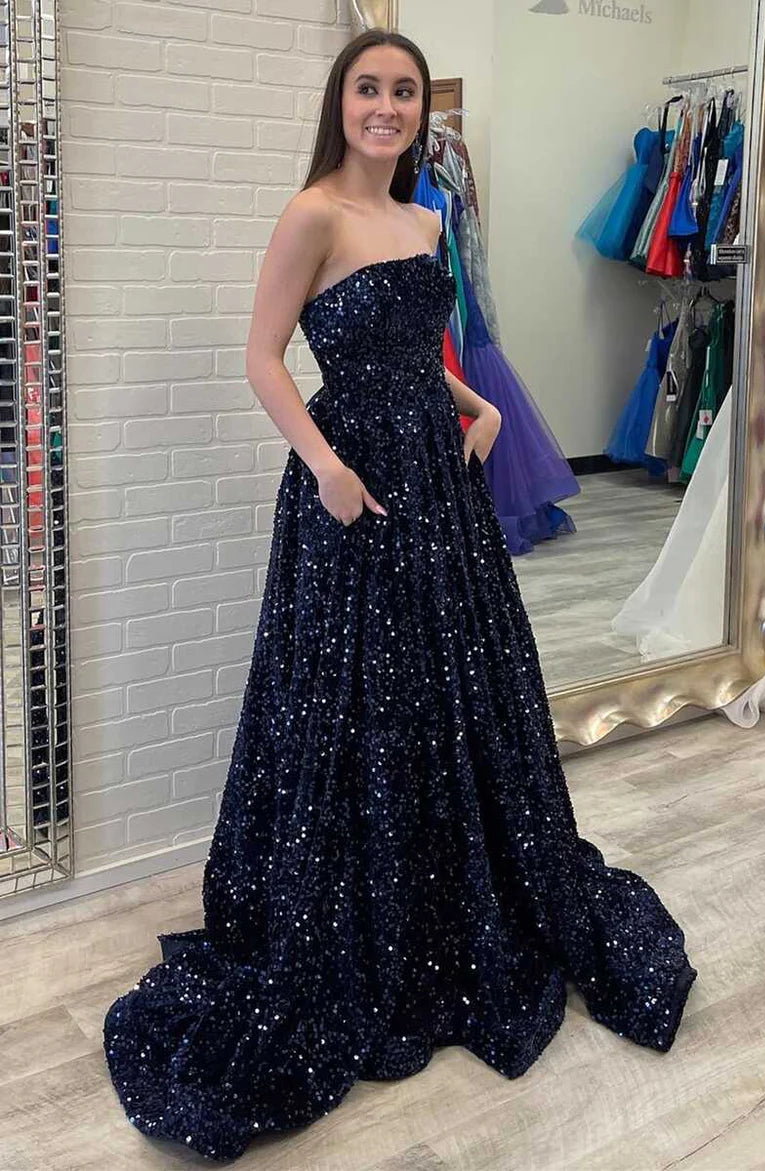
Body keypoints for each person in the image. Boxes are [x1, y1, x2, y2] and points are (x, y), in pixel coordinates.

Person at [103, 29, 698, 1161]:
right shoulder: (313, 214)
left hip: (437, 478)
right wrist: (325, 467)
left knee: (449, 690)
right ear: (341, 104)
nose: (386, 106)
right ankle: (364, 912)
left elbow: (416, 353)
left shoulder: (424, 220)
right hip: (354, 490)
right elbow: (265, 355)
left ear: (422, 111)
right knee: (355, 699)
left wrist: (478, 404)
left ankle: (444, 897)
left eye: (404, 92)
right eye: (368, 89)